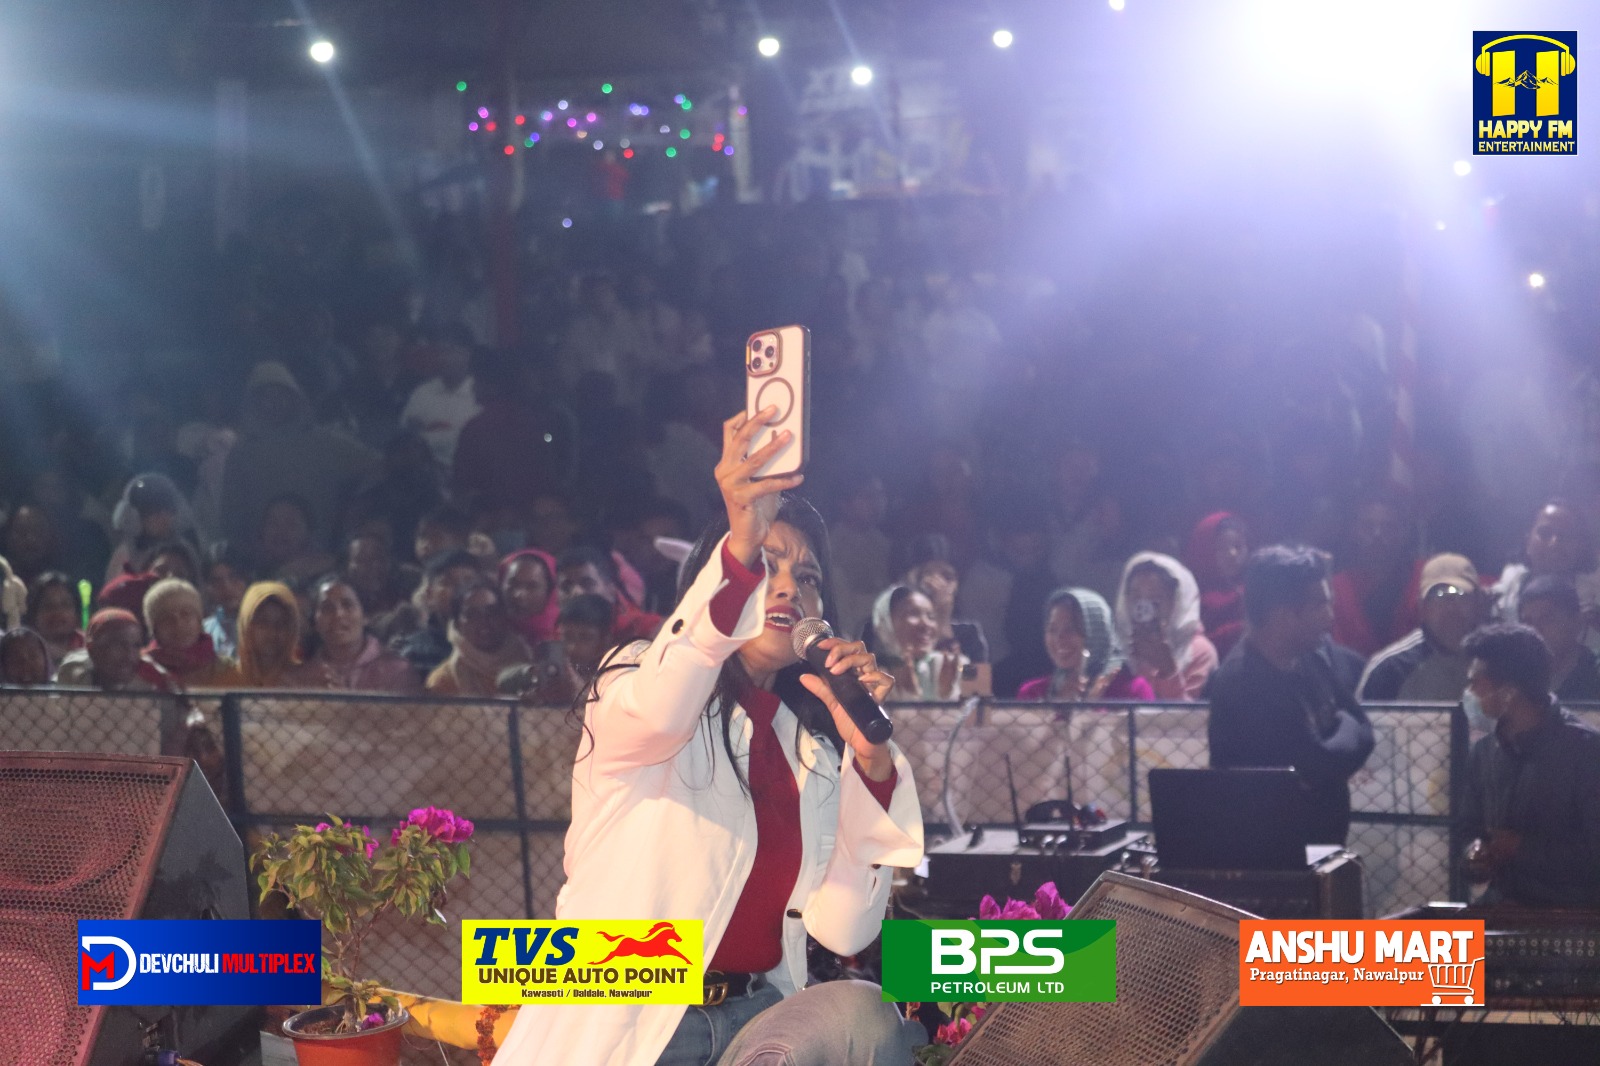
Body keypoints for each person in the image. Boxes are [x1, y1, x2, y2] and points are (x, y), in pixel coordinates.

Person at [494, 407, 924, 1066]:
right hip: (631, 1016)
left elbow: (844, 930)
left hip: (756, 1018)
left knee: (865, 1016)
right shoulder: (636, 675)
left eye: (807, 578)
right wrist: (740, 544)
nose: (789, 587)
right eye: (769, 566)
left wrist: (871, 764)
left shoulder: (808, 751)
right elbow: (666, 702)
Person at [1206, 546, 1375, 844]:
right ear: (1282, 615)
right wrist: (1343, 726)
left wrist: (1341, 738)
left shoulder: (1311, 658)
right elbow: (1319, 765)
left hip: (1321, 852)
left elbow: (1366, 732)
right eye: (1319, 605)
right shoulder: (1244, 683)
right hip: (1269, 858)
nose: (1330, 616)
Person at [1457, 624, 1600, 907]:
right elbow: (1467, 830)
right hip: (1500, 909)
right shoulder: (1485, 752)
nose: (1469, 691)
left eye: (1477, 682)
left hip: (1571, 918)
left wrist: (1520, 849)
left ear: (1509, 692)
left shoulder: (1586, 752)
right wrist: (1474, 855)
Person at [218, 361, 380, 558]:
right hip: (259, 562)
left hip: (320, 558)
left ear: (294, 397)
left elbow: (377, 466)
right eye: (266, 396)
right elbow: (231, 517)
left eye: (280, 394)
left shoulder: (326, 443)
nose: (274, 402)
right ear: (254, 402)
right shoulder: (242, 453)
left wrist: (355, 511)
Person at [1359, 553, 1489, 701]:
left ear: (1478, 602)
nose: (1450, 607)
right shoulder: (1390, 670)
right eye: (1439, 596)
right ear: (1422, 607)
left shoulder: (1497, 661)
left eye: (1461, 595)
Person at [287, 576, 422, 694]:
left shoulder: (397, 672)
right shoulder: (302, 675)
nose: (338, 615)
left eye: (348, 605)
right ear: (315, 621)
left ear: (366, 616)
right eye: (327, 608)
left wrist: (344, 703)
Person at [1114, 552, 1219, 701]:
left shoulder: (1198, 652)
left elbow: (1189, 714)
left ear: (1178, 602)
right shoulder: (1119, 650)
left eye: (1155, 599)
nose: (1144, 607)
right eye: (1136, 597)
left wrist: (1168, 669)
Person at [1018, 588, 1154, 702]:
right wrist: (1060, 706)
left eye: (1070, 629)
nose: (1059, 638)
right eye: (1052, 629)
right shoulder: (1032, 694)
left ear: (1097, 633)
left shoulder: (1133, 691)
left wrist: (1090, 708)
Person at [1329, 496, 1423, 657]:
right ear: (1354, 531)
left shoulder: (1424, 577)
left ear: (1403, 532)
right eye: (1368, 526)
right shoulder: (1336, 588)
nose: (1377, 535)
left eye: (1388, 527)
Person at [1491, 500, 1598, 635]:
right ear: (1527, 540)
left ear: (1581, 546)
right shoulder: (1501, 597)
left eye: (1566, 535)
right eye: (1545, 533)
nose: (1555, 543)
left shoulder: (1595, 599)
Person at [426, 580, 532, 697]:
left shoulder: (532, 665)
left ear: (504, 617)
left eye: (492, 612)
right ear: (457, 624)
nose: (483, 622)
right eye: (472, 614)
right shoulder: (443, 682)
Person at [400, 323, 482, 471]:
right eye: (442, 351)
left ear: (468, 354)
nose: (446, 358)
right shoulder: (422, 393)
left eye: (452, 351)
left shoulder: (481, 394)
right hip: (426, 476)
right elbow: (406, 437)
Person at [393, 549, 483, 679]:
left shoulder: (498, 643)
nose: (460, 588)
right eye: (448, 582)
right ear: (429, 595)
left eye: (468, 581)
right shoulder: (413, 653)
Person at [868, 585, 964, 702]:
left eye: (931, 617)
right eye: (913, 614)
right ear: (885, 622)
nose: (926, 624)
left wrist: (946, 694)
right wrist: (907, 695)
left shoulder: (954, 667)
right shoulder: (868, 678)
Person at [142, 577, 239, 689]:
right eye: (166, 618)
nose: (178, 624)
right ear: (154, 629)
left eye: (186, 614)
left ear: (199, 621)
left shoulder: (228, 670)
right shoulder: (142, 670)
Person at [1516, 575, 1600, 702]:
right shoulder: (1514, 676)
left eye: (1546, 619)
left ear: (1576, 622)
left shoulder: (1595, 672)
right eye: (1527, 622)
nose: (1535, 629)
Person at [556, 545, 664, 643]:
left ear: (611, 590)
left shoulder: (647, 629)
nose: (577, 592)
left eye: (587, 584)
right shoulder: (555, 636)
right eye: (566, 587)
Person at [105, 473, 198, 585]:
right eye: (154, 512)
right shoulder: (124, 557)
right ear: (133, 516)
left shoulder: (186, 552)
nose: (163, 517)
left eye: (168, 510)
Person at [1184, 512, 1249, 661]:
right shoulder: (1190, 596)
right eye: (1221, 548)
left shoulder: (1252, 588)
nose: (1232, 554)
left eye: (1238, 546)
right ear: (1203, 550)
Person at [56, 609, 173, 691]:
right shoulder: (72, 672)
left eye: (136, 646)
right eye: (118, 645)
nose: (129, 654)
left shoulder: (152, 680)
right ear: (92, 649)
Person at [232, 581, 303, 688]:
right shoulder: (226, 680)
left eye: (281, 624)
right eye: (263, 622)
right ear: (246, 625)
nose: (272, 633)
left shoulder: (304, 681)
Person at [499, 548, 559, 646]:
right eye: (513, 584)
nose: (518, 595)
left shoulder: (567, 638)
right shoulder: (488, 632)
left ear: (550, 591)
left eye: (532, 586)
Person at [201, 543, 250, 659]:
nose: (227, 587)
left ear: (246, 579)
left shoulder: (264, 626)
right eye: (217, 581)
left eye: (234, 577)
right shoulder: (204, 632)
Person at [25, 571, 84, 666]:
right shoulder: (21, 650)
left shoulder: (91, 649)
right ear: (33, 614)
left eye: (65, 605)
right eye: (48, 606)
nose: (57, 613)